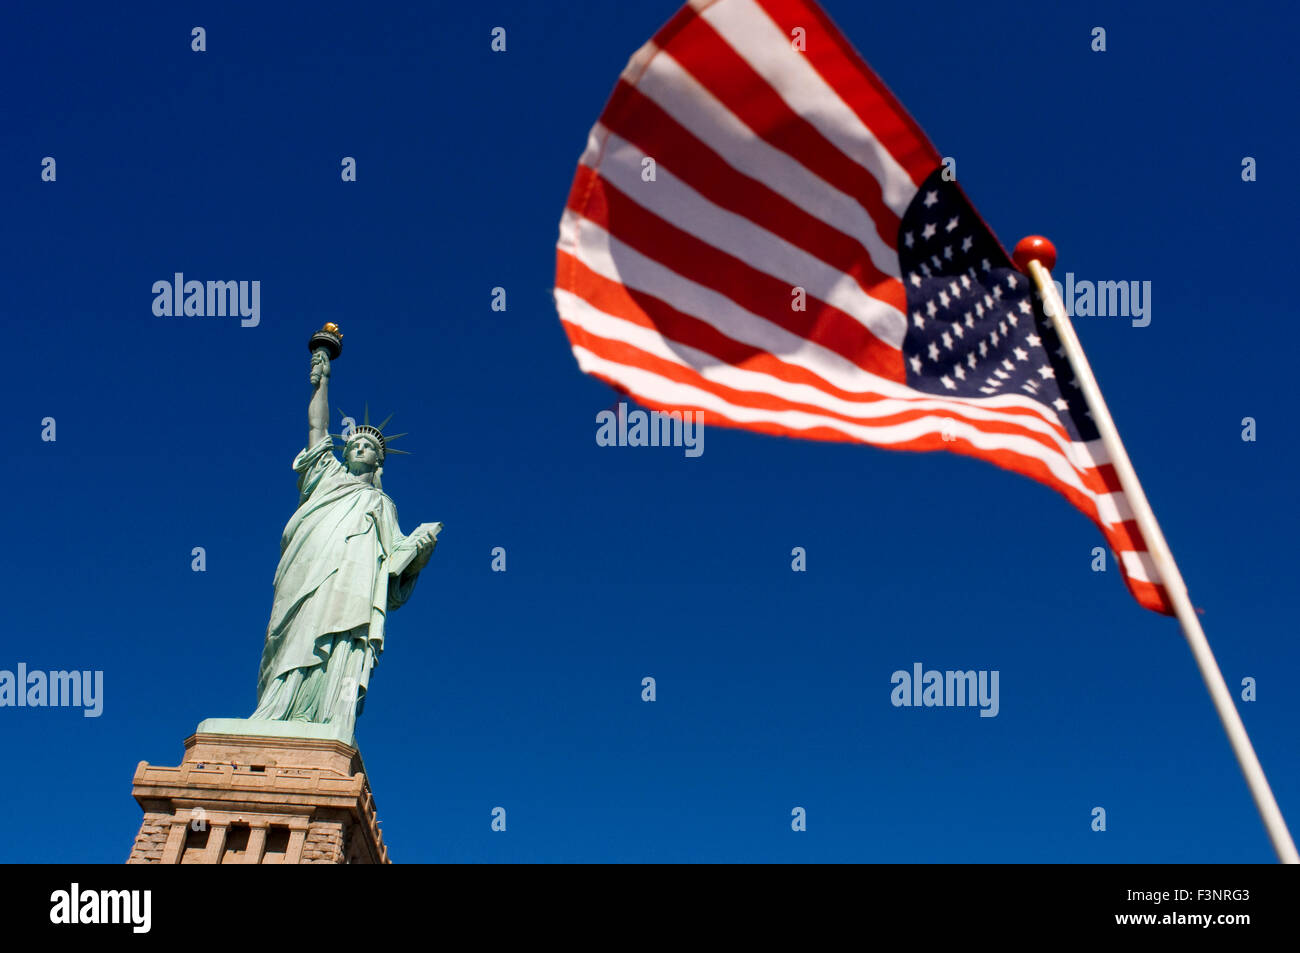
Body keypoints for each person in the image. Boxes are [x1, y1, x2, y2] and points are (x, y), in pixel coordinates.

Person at [249, 347, 440, 740]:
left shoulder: (380, 503)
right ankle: (275, 710)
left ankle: (326, 718)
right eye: (353, 444)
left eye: (368, 447)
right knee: (293, 631)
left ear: (378, 463)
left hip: (350, 587)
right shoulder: (328, 477)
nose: (358, 448)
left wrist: (419, 550)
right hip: (308, 567)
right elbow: (317, 432)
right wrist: (322, 383)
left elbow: (394, 564)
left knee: (342, 639)